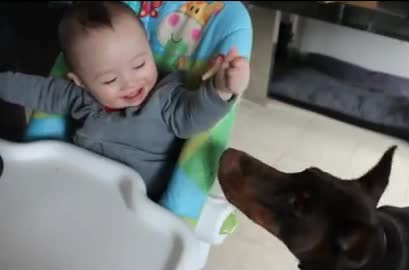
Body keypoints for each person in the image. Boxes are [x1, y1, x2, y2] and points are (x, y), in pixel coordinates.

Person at [0, 1, 250, 195]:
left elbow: (195, 116)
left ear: (149, 48)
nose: (130, 83)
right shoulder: (80, 97)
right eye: (109, 80)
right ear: (80, 81)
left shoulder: (166, 98)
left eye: (139, 64)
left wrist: (222, 88)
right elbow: (36, 89)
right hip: (77, 186)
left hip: (138, 207)